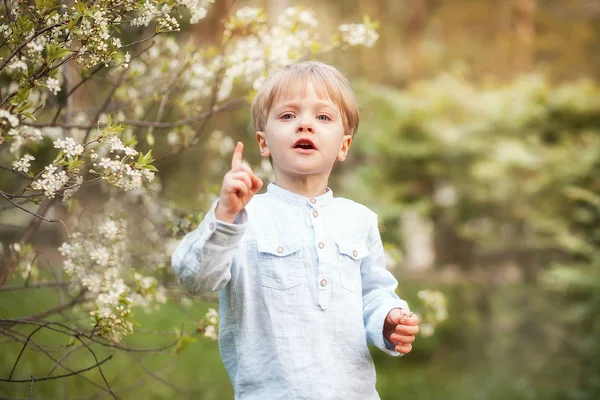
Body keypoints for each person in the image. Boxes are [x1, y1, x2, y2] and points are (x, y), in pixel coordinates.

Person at [171, 61, 420, 399]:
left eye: (323, 117)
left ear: (344, 146)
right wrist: (226, 214)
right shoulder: (243, 217)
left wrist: (389, 320)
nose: (305, 124)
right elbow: (195, 278)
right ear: (263, 143)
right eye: (288, 116)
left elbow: (373, 295)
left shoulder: (359, 219)